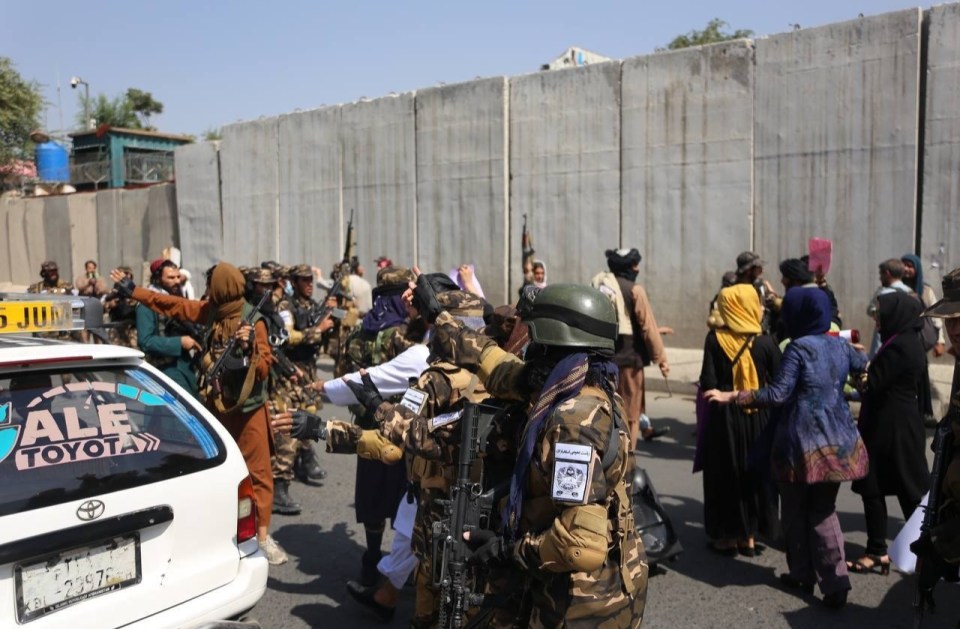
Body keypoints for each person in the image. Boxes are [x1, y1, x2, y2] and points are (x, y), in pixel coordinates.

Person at [419, 281, 648, 627]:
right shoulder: (575, 381)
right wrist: (438, 316)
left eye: (534, 342)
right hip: (576, 584)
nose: (526, 352)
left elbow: (581, 546)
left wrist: (506, 551)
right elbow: (491, 362)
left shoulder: (573, 422)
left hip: (583, 602)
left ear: (551, 345)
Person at [110, 263, 288, 565]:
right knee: (217, 469)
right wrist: (135, 292)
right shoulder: (213, 313)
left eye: (214, 288)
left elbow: (263, 370)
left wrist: (247, 349)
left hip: (249, 409)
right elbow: (175, 305)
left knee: (258, 474)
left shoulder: (253, 320)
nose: (210, 293)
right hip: (218, 405)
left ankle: (261, 535)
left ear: (223, 289)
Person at [705, 287, 869, 610]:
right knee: (824, 510)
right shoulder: (841, 346)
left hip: (801, 446)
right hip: (839, 443)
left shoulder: (799, 348)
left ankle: (808, 576)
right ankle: (833, 580)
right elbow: (865, 372)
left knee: (795, 511)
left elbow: (777, 394)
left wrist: (733, 396)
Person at [849, 291, 930, 575]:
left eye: (883, 313)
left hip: (890, 429)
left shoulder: (899, 346)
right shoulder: (907, 341)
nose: (878, 318)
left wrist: (856, 365)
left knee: (884, 488)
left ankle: (897, 551)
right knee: (896, 488)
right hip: (897, 426)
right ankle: (900, 551)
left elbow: (872, 384)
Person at [698, 284, 781, 556]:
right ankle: (751, 536)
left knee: (726, 476)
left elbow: (707, 382)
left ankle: (728, 537)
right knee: (755, 477)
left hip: (725, 420)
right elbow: (779, 384)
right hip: (760, 417)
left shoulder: (715, 339)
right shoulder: (767, 342)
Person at [592, 247, 670, 446]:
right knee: (631, 414)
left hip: (602, 358)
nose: (637, 268)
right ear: (628, 267)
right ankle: (627, 461)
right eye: (635, 264)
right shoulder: (635, 290)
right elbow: (648, 328)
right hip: (629, 363)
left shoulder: (601, 285)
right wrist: (661, 359)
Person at [281, 263, 336, 483]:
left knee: (309, 412)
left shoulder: (311, 304)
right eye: (304, 280)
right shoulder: (287, 306)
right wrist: (317, 330)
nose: (310, 284)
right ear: (293, 283)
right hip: (293, 368)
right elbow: (288, 338)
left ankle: (305, 458)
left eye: (311, 280)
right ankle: (296, 461)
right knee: (295, 414)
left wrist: (330, 312)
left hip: (309, 367)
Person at [136, 259, 201, 397]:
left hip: (183, 363)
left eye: (178, 277)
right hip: (164, 367)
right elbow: (145, 341)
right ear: (158, 279)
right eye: (171, 278)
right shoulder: (146, 305)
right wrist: (180, 342)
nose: (177, 281)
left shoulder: (176, 301)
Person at [735, 251, 780, 335]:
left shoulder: (760, 285)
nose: (762, 271)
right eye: (759, 268)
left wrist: (772, 294)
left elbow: (773, 303)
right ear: (748, 270)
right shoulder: (734, 291)